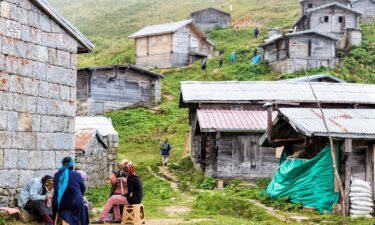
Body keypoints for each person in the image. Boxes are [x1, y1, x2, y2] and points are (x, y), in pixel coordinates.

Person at [92, 160, 143, 224]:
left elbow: (130, 191)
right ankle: (117, 218)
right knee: (114, 199)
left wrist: (125, 194)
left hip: (133, 199)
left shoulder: (130, 178)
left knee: (112, 199)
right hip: (137, 198)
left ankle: (101, 218)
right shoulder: (135, 177)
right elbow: (132, 189)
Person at [52, 157, 88, 225]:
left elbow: (56, 190)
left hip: (61, 204)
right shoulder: (77, 175)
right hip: (76, 203)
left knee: (55, 198)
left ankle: (56, 221)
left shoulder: (56, 175)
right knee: (80, 200)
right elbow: (83, 188)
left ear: (62, 164)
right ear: (72, 165)